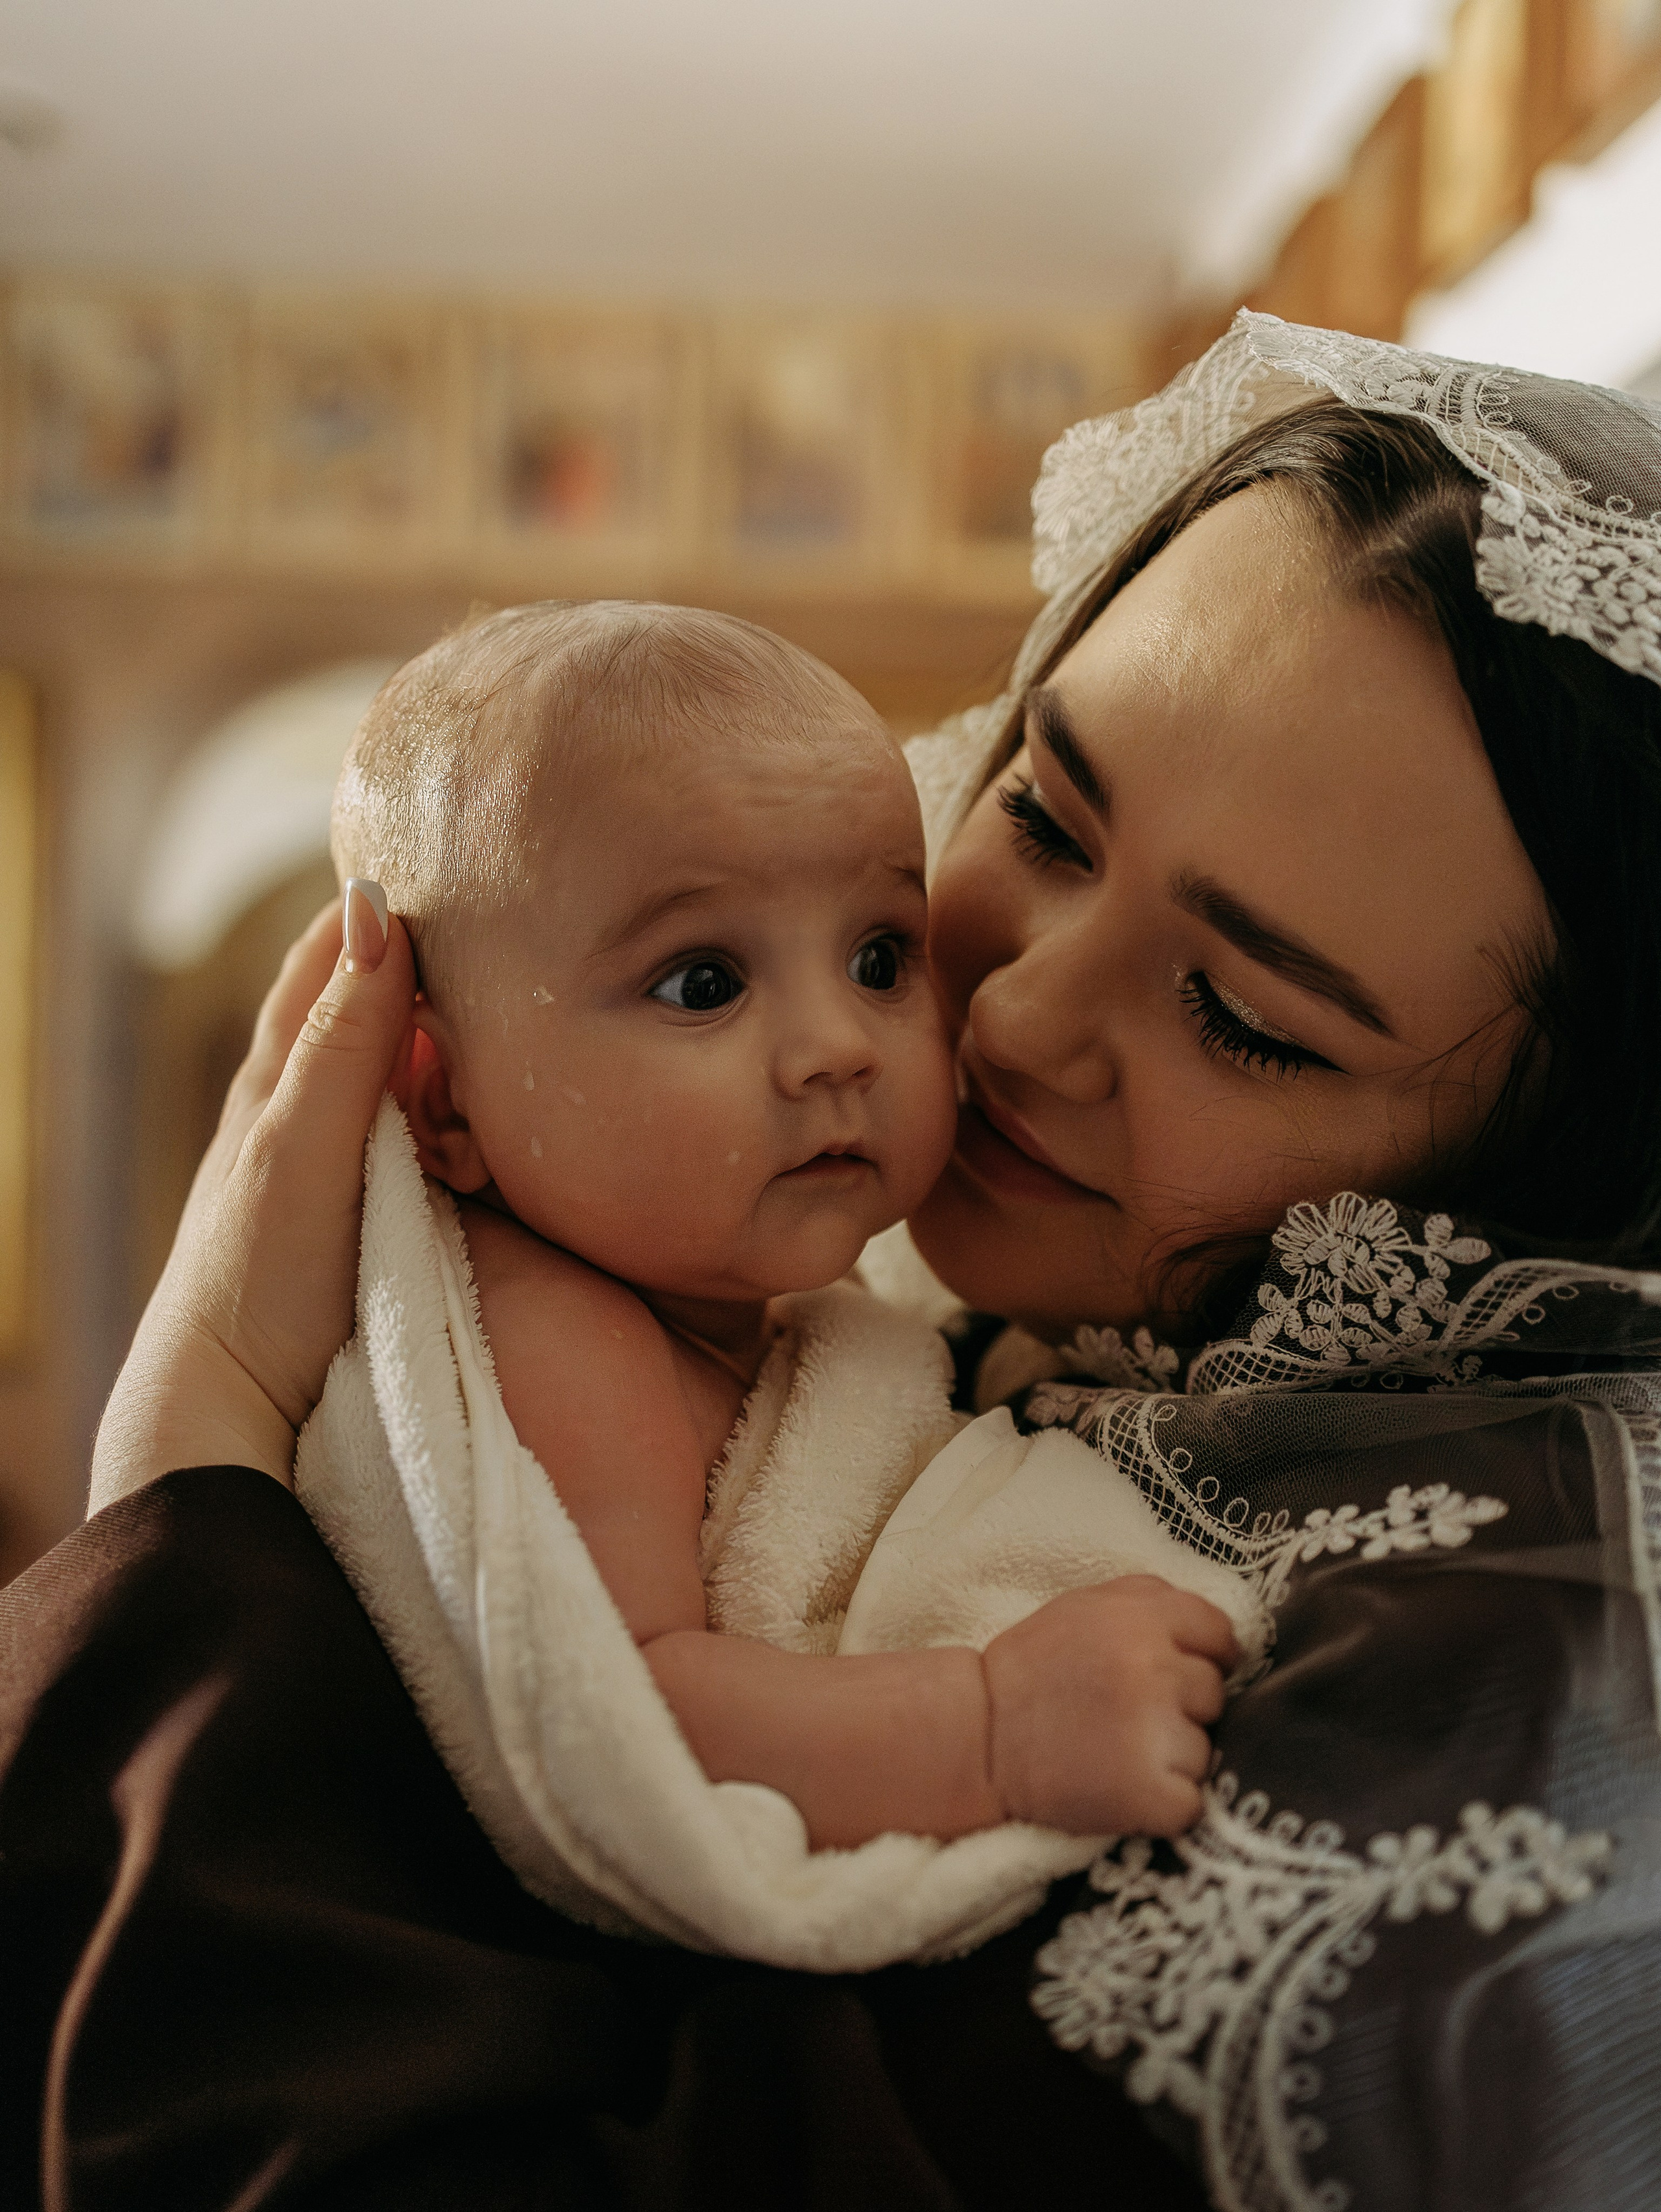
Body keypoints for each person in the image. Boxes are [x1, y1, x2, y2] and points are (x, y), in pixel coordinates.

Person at [10, 313, 1661, 2209]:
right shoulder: (882, 1313)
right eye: (1042, 815)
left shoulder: (1496, 1727)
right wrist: (208, 1405)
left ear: (1533, 1189)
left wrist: (188, 1459)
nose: (1009, 1016)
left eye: (1240, 1016)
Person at [319, 599, 1237, 1873]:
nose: (838, 1047)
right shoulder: (557, 1340)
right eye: (703, 982)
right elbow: (614, 1716)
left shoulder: (729, 1285)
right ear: (443, 1102)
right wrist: (990, 1728)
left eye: (879, 958)